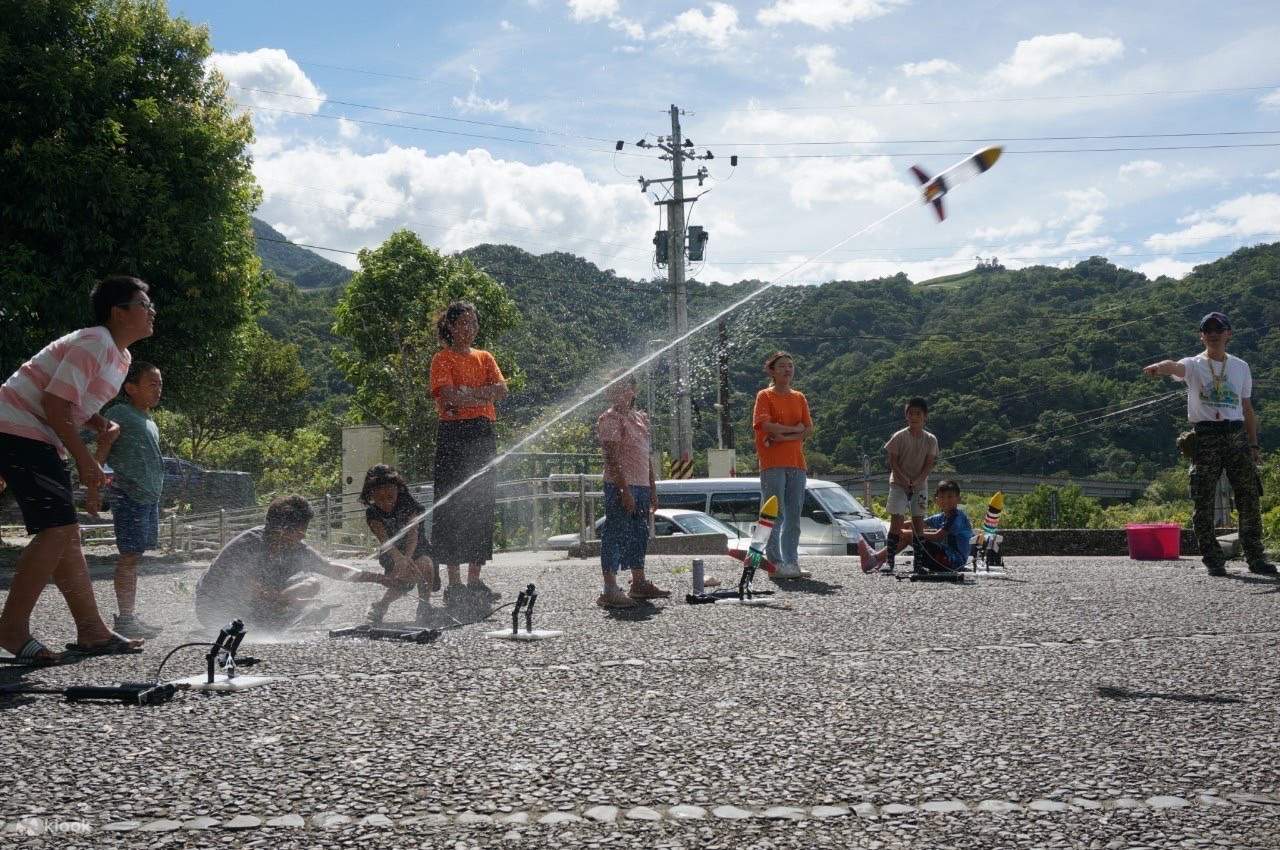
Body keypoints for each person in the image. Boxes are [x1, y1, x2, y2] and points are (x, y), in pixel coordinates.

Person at [0, 275, 154, 664]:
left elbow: (71, 404)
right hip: (16, 427)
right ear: (118, 313)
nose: (152, 311)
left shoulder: (121, 357)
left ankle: (92, 630)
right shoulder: (95, 342)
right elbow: (54, 405)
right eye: (143, 304)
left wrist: (101, 424)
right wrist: (86, 460)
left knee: (67, 534)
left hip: (34, 433)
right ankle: (11, 628)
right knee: (57, 529)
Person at [1143, 311, 1275, 576]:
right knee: (1203, 499)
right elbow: (1174, 366)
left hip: (1236, 435)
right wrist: (1159, 367)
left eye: (1219, 329)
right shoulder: (1193, 364)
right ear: (1201, 336)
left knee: (1249, 497)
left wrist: (1253, 445)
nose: (1213, 334)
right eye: (1208, 330)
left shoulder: (1241, 366)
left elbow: (1247, 408)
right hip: (1206, 436)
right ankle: (1213, 558)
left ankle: (1255, 557)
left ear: (1228, 334)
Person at [194, 495, 424, 630]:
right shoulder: (248, 546)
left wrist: (381, 579)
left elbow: (331, 569)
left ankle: (286, 616)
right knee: (295, 609)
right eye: (300, 530)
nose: (303, 535)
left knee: (312, 584)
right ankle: (283, 617)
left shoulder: (294, 547)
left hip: (256, 604)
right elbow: (250, 590)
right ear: (281, 529)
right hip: (217, 608)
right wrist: (288, 601)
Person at [429, 301, 507, 605]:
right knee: (451, 502)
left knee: (481, 503)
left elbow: (501, 390)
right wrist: (480, 395)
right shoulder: (442, 359)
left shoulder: (485, 357)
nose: (469, 328)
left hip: (482, 433)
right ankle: (454, 582)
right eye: (463, 322)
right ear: (450, 326)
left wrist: (467, 395)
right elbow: (448, 397)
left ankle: (474, 579)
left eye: (473, 322)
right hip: (453, 435)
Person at [85, 361, 165, 639]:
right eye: (151, 384)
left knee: (135, 556)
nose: (158, 389)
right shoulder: (120, 413)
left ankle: (129, 615)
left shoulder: (148, 419)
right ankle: (126, 619)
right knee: (129, 557)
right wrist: (93, 491)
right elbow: (103, 448)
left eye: (160, 384)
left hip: (148, 497)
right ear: (130, 388)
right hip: (129, 495)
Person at [596, 372, 668, 608]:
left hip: (642, 484)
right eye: (615, 387)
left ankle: (638, 582)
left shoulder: (640, 418)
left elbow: (646, 456)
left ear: (634, 391)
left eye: (625, 386)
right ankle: (609, 588)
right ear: (609, 392)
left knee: (639, 533)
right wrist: (624, 490)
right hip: (620, 485)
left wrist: (652, 487)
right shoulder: (610, 419)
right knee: (615, 532)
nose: (621, 391)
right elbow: (611, 458)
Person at [752, 351, 814, 579]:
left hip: (797, 462)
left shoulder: (799, 397)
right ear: (772, 371)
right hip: (772, 463)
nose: (787, 369)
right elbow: (766, 426)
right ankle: (774, 563)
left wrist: (785, 434)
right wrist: (794, 430)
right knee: (774, 514)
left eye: (790, 365)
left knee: (794, 516)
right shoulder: (764, 396)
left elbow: (808, 429)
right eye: (782, 366)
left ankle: (791, 562)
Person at [360, 464, 437, 625]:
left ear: (397, 490)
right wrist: (398, 559)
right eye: (380, 499)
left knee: (425, 565)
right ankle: (381, 606)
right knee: (404, 581)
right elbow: (384, 540)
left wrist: (406, 558)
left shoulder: (408, 503)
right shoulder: (372, 513)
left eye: (390, 497)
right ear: (371, 494)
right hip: (392, 552)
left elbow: (413, 533)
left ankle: (424, 606)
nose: (386, 503)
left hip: (417, 547)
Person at [859, 480, 972, 573]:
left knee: (910, 535)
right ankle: (878, 558)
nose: (946, 500)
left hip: (953, 562)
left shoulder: (956, 517)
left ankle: (876, 559)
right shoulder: (941, 516)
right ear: (936, 500)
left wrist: (908, 533)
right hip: (942, 558)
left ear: (958, 499)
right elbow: (916, 523)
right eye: (942, 497)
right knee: (908, 533)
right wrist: (897, 527)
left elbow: (938, 536)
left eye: (950, 497)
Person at [880, 397, 938, 574]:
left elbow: (929, 464)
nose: (914, 417)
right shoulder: (899, 436)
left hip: (920, 485)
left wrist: (918, 480)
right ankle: (889, 562)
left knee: (918, 522)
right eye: (910, 413)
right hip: (899, 483)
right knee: (896, 521)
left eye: (918, 414)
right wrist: (905, 479)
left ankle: (918, 564)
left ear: (925, 416)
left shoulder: (930, 439)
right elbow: (893, 462)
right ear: (906, 416)